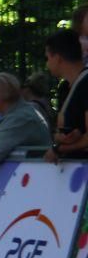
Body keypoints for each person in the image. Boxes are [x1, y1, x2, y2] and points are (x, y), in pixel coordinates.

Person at [45, 29, 88, 160]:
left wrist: (59, 149)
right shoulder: (65, 88)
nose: (47, 64)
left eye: (47, 58)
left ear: (57, 58)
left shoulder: (86, 83)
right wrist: (60, 137)